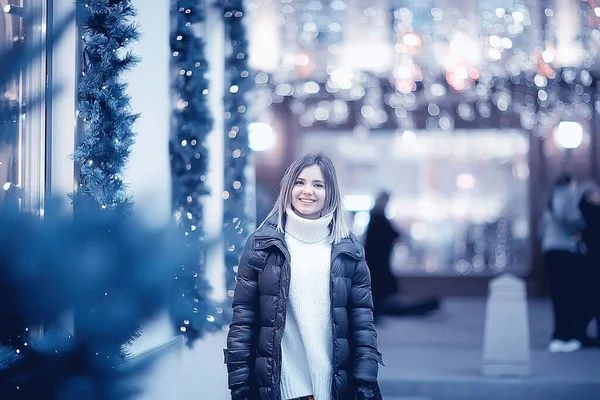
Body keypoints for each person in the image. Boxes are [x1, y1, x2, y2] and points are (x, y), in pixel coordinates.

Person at [224, 152, 384, 400]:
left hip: (335, 388)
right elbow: (243, 319)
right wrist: (239, 383)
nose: (307, 190)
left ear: (330, 192)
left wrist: (365, 381)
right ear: (288, 187)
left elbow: (363, 323)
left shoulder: (348, 250)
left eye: (318, 184)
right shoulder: (262, 245)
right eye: (300, 182)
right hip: (282, 388)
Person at [364, 191, 439, 321]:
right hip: (378, 262)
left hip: (379, 261)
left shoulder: (376, 217)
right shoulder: (378, 217)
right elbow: (388, 235)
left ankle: (379, 308)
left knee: (380, 287)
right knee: (381, 286)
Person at [538, 174, 587, 353]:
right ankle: (565, 335)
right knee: (568, 294)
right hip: (564, 250)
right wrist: (581, 227)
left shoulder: (550, 198)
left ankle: (559, 335)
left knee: (558, 295)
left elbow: (541, 229)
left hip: (550, 249)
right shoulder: (567, 196)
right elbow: (572, 220)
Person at [578, 180, 600, 347]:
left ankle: (582, 333)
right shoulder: (589, 212)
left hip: (589, 261)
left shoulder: (584, 212)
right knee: (591, 300)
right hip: (591, 261)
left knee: (589, 301)